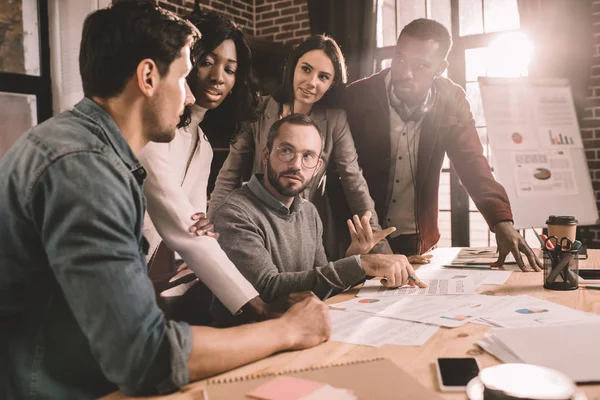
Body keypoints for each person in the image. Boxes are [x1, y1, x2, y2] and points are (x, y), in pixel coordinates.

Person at [0, 3, 330, 398]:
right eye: (185, 76)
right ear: (148, 77)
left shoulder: (85, 147)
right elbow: (144, 355)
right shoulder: (86, 169)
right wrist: (286, 329)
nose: (190, 93)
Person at [340, 18, 542, 271]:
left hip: (416, 240)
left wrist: (502, 222)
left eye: (421, 66)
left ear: (441, 67)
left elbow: (471, 162)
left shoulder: (451, 101)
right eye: (400, 59)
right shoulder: (357, 96)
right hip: (361, 238)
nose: (405, 73)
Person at [138, 11, 273, 323]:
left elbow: (197, 228)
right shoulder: (152, 131)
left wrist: (203, 231)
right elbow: (182, 227)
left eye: (230, 69)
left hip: (167, 288)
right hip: (125, 287)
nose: (218, 77)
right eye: (207, 61)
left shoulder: (205, 147)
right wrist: (259, 307)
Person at [208, 34, 393, 260]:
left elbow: (355, 183)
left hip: (310, 230)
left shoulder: (335, 120)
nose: (311, 82)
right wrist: (211, 230)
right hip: (258, 222)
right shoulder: (259, 109)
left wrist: (381, 247)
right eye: (306, 69)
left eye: (323, 76)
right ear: (292, 67)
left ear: (331, 83)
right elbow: (230, 174)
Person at [211, 114, 425, 303]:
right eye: (286, 151)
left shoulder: (309, 212)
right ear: (266, 156)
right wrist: (361, 264)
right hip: (252, 339)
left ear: (317, 168)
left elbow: (320, 286)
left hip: (302, 331)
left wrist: (354, 257)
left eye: (307, 156)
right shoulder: (234, 214)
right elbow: (268, 289)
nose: (296, 165)